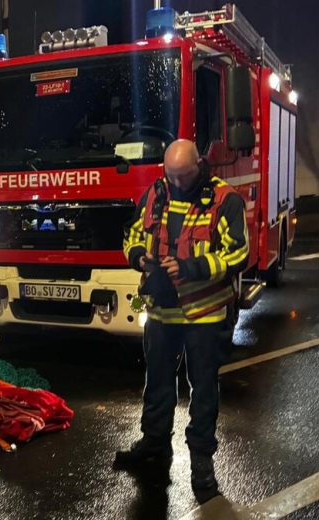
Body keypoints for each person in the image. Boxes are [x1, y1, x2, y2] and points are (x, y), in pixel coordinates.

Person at [116, 139, 249, 500]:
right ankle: (155, 443)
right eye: (170, 174)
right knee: (157, 381)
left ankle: (202, 462)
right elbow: (131, 234)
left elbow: (239, 253)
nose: (176, 181)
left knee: (203, 388)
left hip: (205, 313)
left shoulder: (225, 200)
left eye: (184, 174)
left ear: (199, 165)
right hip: (162, 309)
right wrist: (139, 257)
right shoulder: (155, 192)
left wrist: (191, 267)